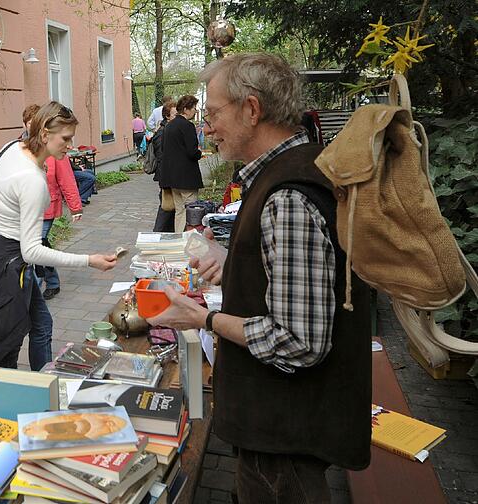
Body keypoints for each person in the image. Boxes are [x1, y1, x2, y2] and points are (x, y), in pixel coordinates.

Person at [148, 53, 372, 503]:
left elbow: (298, 341)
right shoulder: (294, 169)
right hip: (285, 427)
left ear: (252, 110)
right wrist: (233, 260)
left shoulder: (287, 196)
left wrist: (202, 319)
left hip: (283, 433)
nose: (205, 128)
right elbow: (291, 274)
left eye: (212, 115)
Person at [0, 101, 117, 370]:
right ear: (44, 135)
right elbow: (31, 250)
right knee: (8, 349)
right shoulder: (32, 180)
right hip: (9, 267)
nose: (70, 144)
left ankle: (42, 380)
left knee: (41, 326)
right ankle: (17, 399)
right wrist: (89, 260)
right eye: (65, 138)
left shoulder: (11, 147)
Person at [18, 104, 84, 301]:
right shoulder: (20, 147)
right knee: (40, 245)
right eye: (28, 123)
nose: (32, 126)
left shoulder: (54, 148)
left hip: (47, 208)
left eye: (34, 122)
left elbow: (66, 178)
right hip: (28, 209)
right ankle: (52, 281)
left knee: (36, 246)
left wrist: (75, 207)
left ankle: (36, 290)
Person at [159, 95, 203, 232]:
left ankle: (179, 239)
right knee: (192, 213)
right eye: (194, 108)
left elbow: (164, 150)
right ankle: (190, 242)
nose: (195, 111)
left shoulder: (169, 126)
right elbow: (192, 152)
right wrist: (199, 153)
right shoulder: (187, 126)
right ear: (186, 109)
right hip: (187, 178)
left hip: (172, 178)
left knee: (179, 211)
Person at [152, 101, 177, 232]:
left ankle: (166, 233)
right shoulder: (163, 132)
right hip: (166, 175)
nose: (177, 116)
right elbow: (162, 157)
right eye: (175, 114)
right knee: (166, 206)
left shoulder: (168, 129)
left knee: (169, 206)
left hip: (167, 174)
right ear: (167, 116)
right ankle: (157, 234)